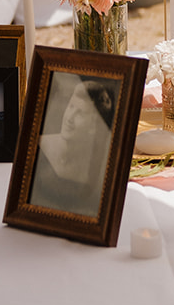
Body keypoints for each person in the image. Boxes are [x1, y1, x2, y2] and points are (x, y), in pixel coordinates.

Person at [29, 75, 116, 217]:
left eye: (80, 113)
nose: (69, 118)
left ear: (94, 126)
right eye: (71, 107)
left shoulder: (99, 167)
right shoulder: (38, 147)